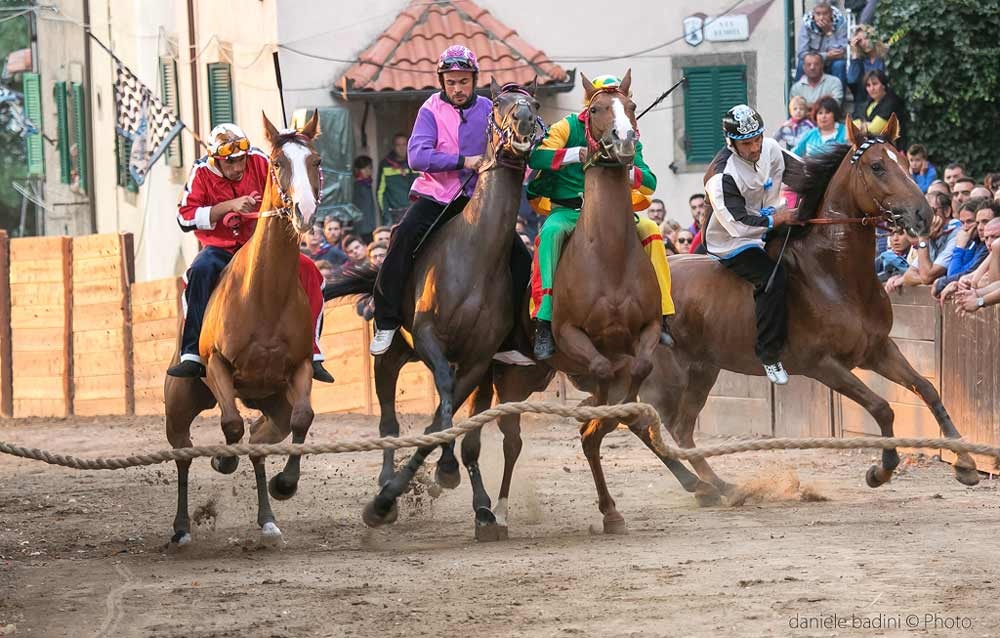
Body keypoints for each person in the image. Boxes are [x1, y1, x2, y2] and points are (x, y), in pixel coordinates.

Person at [369, 45, 532, 355]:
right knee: (402, 237)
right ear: (442, 82)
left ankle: (509, 339)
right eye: (452, 82)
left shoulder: (490, 108)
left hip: (479, 201)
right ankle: (387, 321)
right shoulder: (429, 110)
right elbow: (417, 156)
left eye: (464, 81)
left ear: (474, 80)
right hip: (437, 197)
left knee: (521, 260)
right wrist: (464, 160)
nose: (458, 88)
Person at [170, 123, 334, 383]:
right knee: (199, 271)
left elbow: (283, 177)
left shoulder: (259, 160)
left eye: (241, 161)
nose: (238, 168)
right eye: (230, 163)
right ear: (216, 160)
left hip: (259, 248)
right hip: (220, 250)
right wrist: (226, 207)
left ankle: (312, 350)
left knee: (311, 272)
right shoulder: (201, 173)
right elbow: (184, 217)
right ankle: (191, 352)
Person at [526, 74, 676, 359]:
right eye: (600, 107)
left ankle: (665, 313)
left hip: (615, 217)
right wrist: (577, 153)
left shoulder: (628, 133)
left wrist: (626, 166)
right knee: (549, 234)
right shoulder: (567, 127)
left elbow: (651, 183)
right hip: (568, 213)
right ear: (589, 105)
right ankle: (544, 318)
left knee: (652, 229)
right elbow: (537, 158)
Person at [705, 105, 803, 385]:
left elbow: (804, 173)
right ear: (731, 142)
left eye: (757, 139)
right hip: (733, 241)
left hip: (771, 222)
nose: (755, 147)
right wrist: (777, 219)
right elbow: (737, 225)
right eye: (746, 143)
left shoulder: (771, 147)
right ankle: (769, 355)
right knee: (773, 277)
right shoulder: (721, 176)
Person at [796, 0, 848, 87]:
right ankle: (797, 97)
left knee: (840, 65)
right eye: (818, 14)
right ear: (813, 14)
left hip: (832, 63)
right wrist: (825, 55)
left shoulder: (840, 22)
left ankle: (838, 98)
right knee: (802, 64)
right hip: (814, 62)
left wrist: (829, 32)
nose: (821, 17)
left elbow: (841, 51)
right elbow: (802, 53)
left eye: (825, 14)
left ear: (831, 13)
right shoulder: (806, 24)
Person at [856, 70, 908, 150]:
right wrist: (867, 126)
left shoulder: (892, 101)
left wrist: (863, 125)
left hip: (892, 149)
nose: (871, 88)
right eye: (868, 85)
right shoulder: (869, 102)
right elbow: (854, 124)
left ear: (884, 85)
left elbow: (874, 129)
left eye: (875, 84)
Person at [846, 24, 887, 115]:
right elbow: (851, 80)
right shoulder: (860, 62)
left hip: (884, 100)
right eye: (860, 41)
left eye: (867, 38)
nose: (864, 43)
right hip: (864, 102)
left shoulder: (884, 58)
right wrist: (854, 53)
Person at [377, 133, 418, 226]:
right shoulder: (385, 164)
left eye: (404, 144)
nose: (401, 148)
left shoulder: (415, 162)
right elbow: (380, 193)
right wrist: (386, 215)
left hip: (413, 211)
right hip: (394, 213)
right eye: (398, 145)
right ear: (393, 147)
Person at [352, 155, 376, 241]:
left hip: (370, 225)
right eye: (364, 168)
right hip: (362, 227)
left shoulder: (367, 184)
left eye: (369, 168)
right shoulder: (357, 186)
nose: (367, 171)